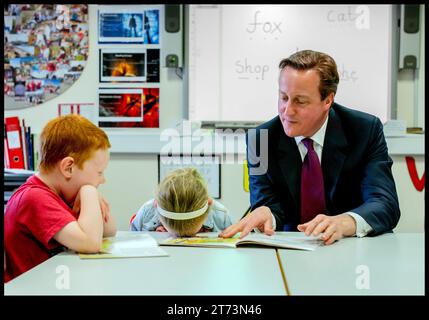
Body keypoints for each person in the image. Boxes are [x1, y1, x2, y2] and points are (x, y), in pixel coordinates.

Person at [220, 50, 400, 245]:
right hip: (289, 251)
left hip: (350, 247)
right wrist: (265, 212)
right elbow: (267, 202)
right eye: (283, 98)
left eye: (300, 101)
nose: (287, 111)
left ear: (328, 100)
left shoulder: (365, 130)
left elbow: (385, 203)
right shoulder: (259, 140)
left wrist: (345, 222)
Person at [4, 114, 116, 282]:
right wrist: (89, 191)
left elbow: (109, 231)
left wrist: (89, 196)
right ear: (68, 168)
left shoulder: (59, 195)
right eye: (99, 172)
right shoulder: (35, 198)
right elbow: (91, 243)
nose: (102, 180)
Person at [130, 168, 232, 236]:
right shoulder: (147, 212)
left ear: (209, 204)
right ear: (156, 205)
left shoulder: (221, 217)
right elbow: (134, 243)